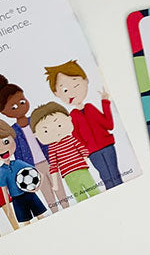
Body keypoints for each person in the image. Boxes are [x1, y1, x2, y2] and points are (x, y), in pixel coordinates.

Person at [44, 60, 122, 189]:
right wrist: (84, 152)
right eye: (65, 90)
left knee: (115, 174)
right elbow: (77, 137)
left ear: (85, 81)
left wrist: (105, 102)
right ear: (57, 94)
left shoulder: (90, 108)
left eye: (76, 86)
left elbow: (109, 125)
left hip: (107, 146)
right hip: (92, 152)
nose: (72, 93)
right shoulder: (72, 116)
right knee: (105, 177)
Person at [0, 75, 68, 212]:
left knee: (59, 188)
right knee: (47, 193)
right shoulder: (13, 132)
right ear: (4, 112)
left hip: (49, 160)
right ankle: (55, 212)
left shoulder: (36, 120)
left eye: (22, 101)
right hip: (32, 167)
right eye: (13, 107)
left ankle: (67, 207)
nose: (20, 107)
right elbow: (17, 153)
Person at [30, 103, 100, 203]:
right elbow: (53, 166)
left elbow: (84, 151)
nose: (55, 132)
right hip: (68, 176)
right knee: (80, 198)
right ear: (36, 135)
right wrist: (55, 183)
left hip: (82, 171)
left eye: (59, 125)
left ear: (69, 119)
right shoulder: (52, 148)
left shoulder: (71, 139)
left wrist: (82, 162)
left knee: (94, 191)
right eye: (46, 131)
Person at [0, 120, 47, 226]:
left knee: (41, 217)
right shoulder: (1, 171)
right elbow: (4, 190)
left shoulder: (19, 163)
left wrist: (37, 187)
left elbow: (40, 173)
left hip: (29, 194)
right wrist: (8, 207)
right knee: (26, 223)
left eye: (6, 142)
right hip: (17, 200)